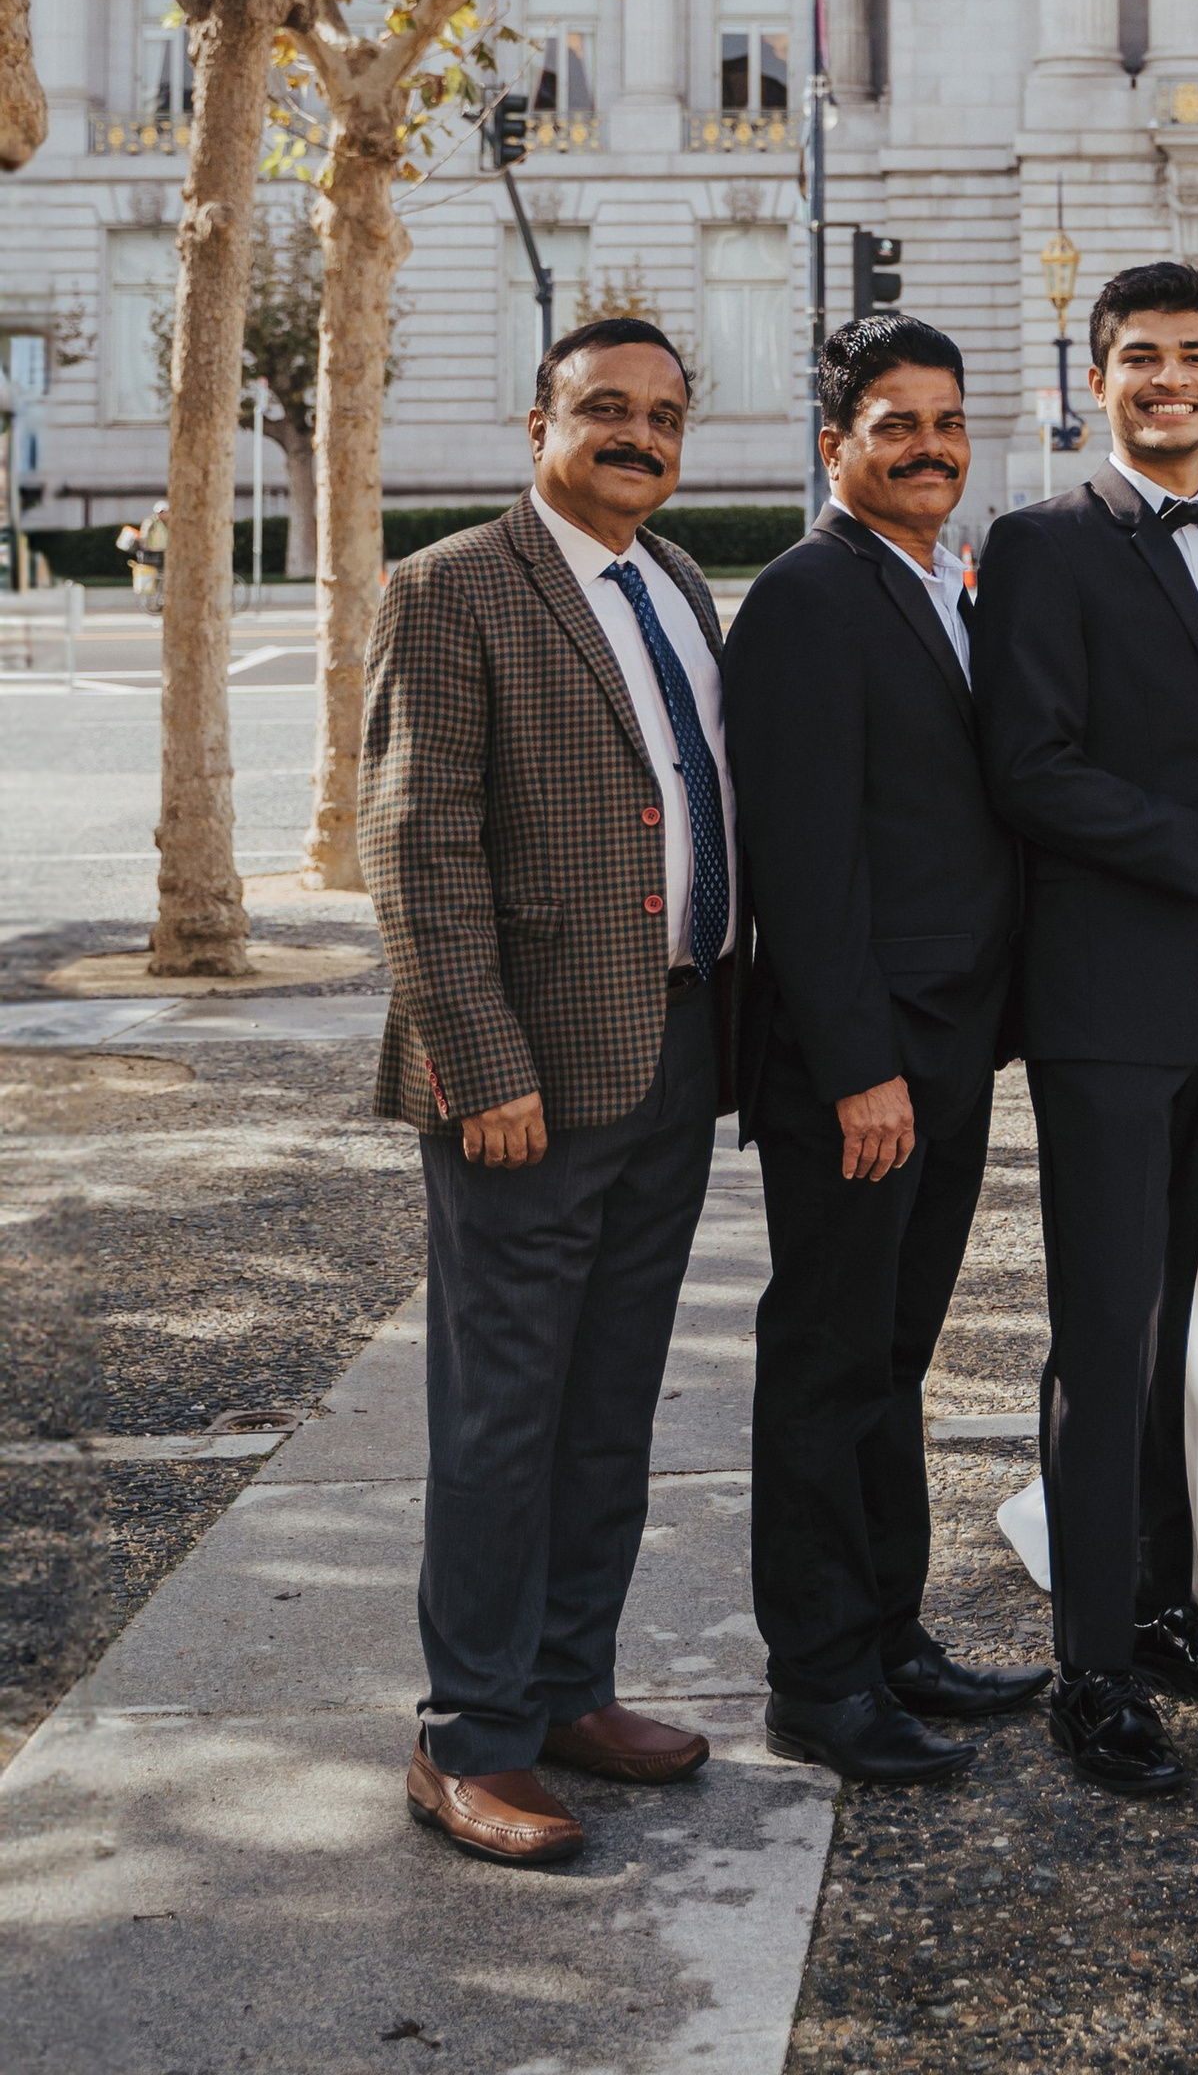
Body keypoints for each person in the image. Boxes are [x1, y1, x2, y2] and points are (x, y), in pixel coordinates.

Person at [361, 320, 736, 1867]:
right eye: (606, 410)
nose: (638, 436)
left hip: (673, 1056)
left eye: (662, 415)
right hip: (526, 1074)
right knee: (504, 1413)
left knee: (608, 1405)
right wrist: (480, 1061)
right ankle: (470, 1737)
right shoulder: (450, 588)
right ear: (539, 427)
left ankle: (570, 1686)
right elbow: (415, 843)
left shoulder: (680, 587)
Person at [974, 262, 1198, 1799]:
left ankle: (1168, 1600)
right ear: (1097, 379)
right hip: (1111, 1005)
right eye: (1141, 358)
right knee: (1105, 1331)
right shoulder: (1041, 546)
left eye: (1194, 356)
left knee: (1195, 1324)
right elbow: (1030, 766)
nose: (1169, 379)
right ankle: (1091, 1669)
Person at [724, 314, 1043, 1788]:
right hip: (861, 1063)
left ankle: (893, 1635)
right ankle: (818, 1678)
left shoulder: (945, 584)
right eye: (894, 424)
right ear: (834, 442)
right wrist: (857, 1067)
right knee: (828, 1358)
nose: (928, 446)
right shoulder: (805, 597)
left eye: (946, 420)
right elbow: (802, 860)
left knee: (896, 1357)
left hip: (950, 1047)